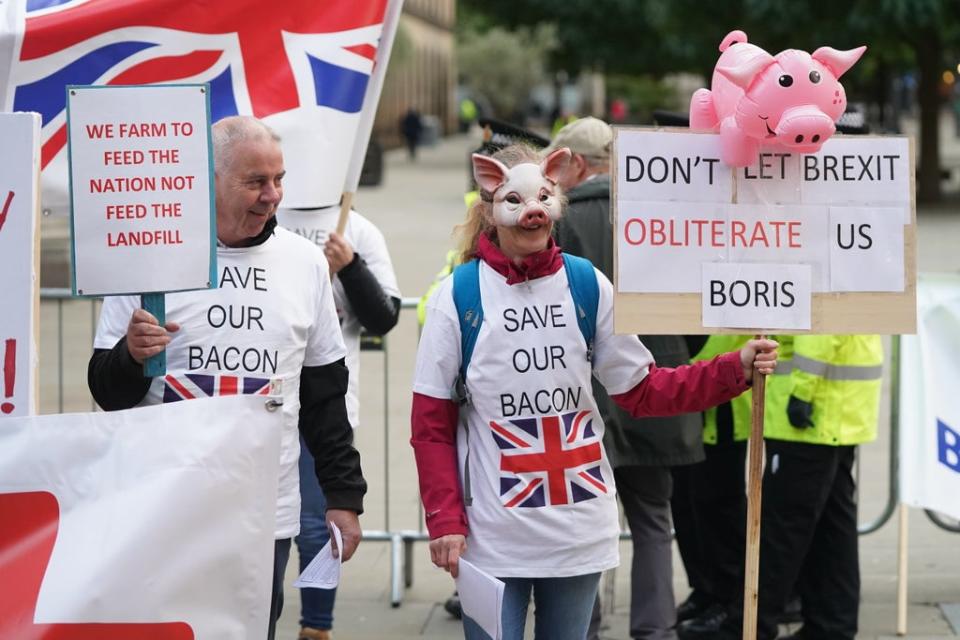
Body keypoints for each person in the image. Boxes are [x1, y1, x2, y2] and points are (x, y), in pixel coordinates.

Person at [410, 142, 778, 640]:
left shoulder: (587, 284)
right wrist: (444, 519)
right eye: (515, 201)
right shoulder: (459, 295)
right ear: (491, 207)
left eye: (542, 197)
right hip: (492, 534)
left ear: (558, 200)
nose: (531, 213)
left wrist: (735, 367)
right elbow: (430, 423)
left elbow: (646, 391)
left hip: (576, 527)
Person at [87, 115, 366, 640]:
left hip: (263, 510)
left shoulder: (305, 264)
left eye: (279, 179)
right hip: (165, 504)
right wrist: (128, 356)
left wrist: (344, 497)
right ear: (206, 179)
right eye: (255, 181)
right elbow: (106, 392)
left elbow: (325, 395)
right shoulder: (148, 259)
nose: (272, 196)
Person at [550, 116, 705, 640]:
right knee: (654, 520)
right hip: (655, 377)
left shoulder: (557, 221)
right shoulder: (658, 212)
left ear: (573, 163)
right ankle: (654, 630)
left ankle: (583, 627)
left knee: (582, 526)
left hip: (585, 389)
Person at [276, 204, 400, 640]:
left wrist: (350, 267)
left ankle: (316, 626)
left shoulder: (360, 230)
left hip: (324, 406)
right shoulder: (266, 223)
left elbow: (384, 317)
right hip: (260, 405)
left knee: (314, 524)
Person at [715, 334, 883, 640]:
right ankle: (831, 625)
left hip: (810, 412)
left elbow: (819, 326)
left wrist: (803, 392)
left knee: (779, 531)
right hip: (838, 408)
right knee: (833, 527)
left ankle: (748, 629)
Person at [671, 336, 751, 639]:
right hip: (688, 383)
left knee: (721, 505)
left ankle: (730, 599)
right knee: (688, 502)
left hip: (721, 394)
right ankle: (706, 589)